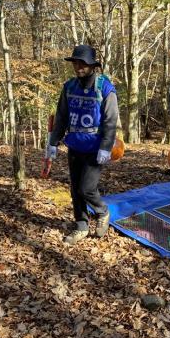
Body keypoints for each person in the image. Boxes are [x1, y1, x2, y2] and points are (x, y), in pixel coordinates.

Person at [47, 45, 118, 245]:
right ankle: (81, 225)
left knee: (87, 188)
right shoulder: (69, 87)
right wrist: (54, 142)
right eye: (76, 63)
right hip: (75, 145)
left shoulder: (104, 87)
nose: (78, 66)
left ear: (93, 66)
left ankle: (103, 212)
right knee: (75, 189)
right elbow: (61, 117)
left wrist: (106, 146)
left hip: (95, 148)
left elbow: (110, 120)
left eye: (83, 63)